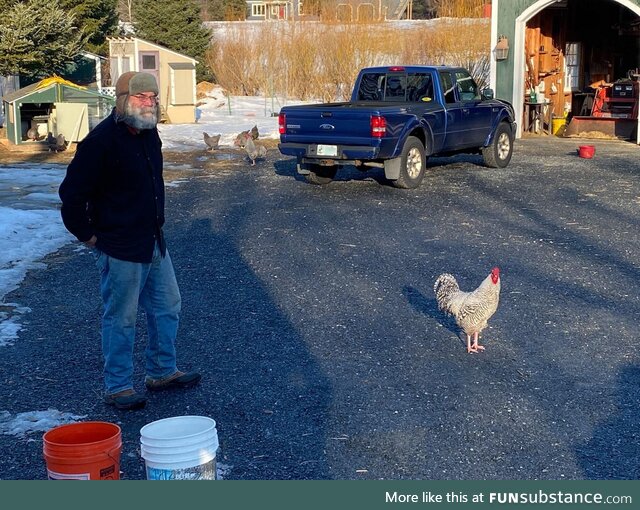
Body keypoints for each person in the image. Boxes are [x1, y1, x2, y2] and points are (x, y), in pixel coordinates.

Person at [59, 72, 201, 411]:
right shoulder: (100, 141)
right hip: (120, 245)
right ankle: (118, 386)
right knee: (121, 317)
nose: (149, 103)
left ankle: (161, 371)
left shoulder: (150, 135)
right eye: (141, 97)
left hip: (153, 241)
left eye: (153, 97)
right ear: (122, 99)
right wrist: (90, 236)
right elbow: (72, 196)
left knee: (168, 307)